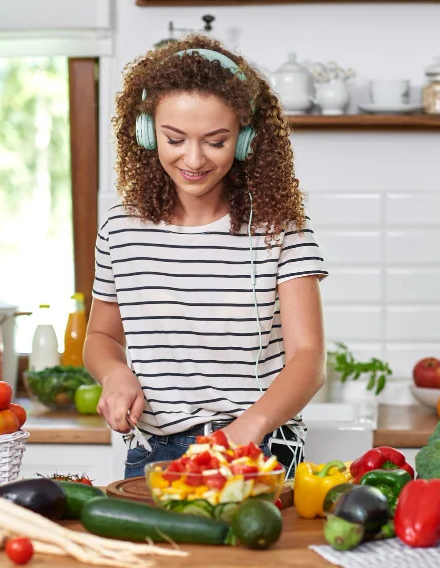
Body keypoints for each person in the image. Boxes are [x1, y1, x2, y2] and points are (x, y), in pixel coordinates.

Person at [83, 33, 328, 479]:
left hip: (259, 445)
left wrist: (246, 428)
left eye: (215, 141)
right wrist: (115, 375)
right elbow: (99, 337)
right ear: (145, 132)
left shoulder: (279, 228)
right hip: (154, 449)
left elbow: (308, 360)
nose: (193, 158)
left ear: (245, 140)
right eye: (174, 138)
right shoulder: (119, 229)